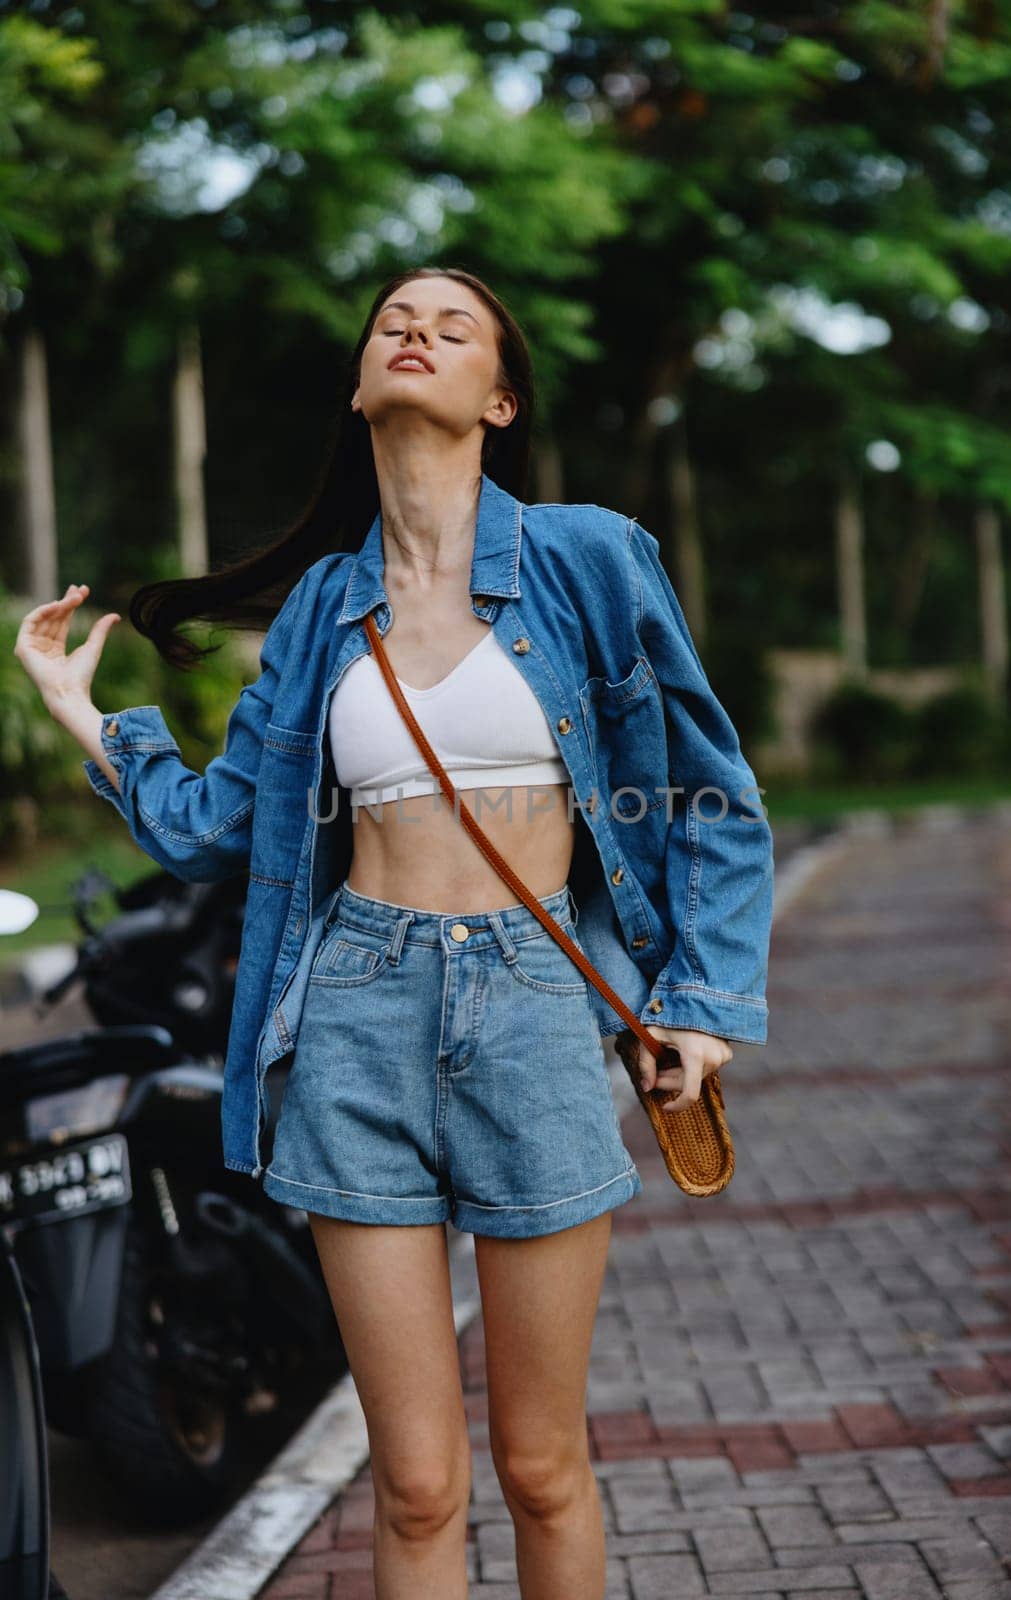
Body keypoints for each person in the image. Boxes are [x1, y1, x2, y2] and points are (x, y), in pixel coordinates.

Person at [15, 266, 773, 1597]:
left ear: (498, 398)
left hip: (535, 1003)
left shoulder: (590, 559)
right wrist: (87, 717)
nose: (414, 332)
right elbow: (218, 829)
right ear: (363, 383)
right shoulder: (320, 612)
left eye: (454, 324)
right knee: (417, 1482)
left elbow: (709, 791)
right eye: (392, 322)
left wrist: (702, 1004)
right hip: (356, 1014)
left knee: (543, 1465)